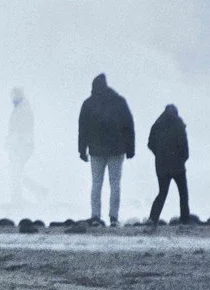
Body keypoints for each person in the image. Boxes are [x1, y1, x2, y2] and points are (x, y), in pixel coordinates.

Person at [77, 73, 137, 224]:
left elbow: (82, 129)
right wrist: (130, 149)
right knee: (115, 183)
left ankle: (96, 215)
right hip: (117, 150)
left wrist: (81, 150)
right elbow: (129, 126)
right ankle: (114, 217)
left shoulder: (88, 104)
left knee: (96, 183)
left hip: (96, 151)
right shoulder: (119, 102)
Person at [145, 104, 190, 223]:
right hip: (178, 165)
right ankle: (185, 219)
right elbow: (184, 145)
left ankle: (153, 218)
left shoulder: (157, 124)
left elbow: (150, 143)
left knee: (162, 192)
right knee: (183, 193)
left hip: (162, 165)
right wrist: (183, 158)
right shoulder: (179, 124)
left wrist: (159, 154)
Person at [8, 87, 44, 203]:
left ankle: (18, 197)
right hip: (21, 144)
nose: (11, 98)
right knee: (17, 172)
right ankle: (37, 191)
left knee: (16, 171)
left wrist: (14, 141)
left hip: (21, 145)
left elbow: (21, 129)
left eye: (13, 95)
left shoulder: (22, 109)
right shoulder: (22, 108)